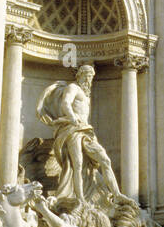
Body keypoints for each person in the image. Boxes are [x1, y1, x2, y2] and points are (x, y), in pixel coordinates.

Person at [37, 65, 121, 204]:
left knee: (105, 160)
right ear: (80, 75)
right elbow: (66, 103)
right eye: (87, 75)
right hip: (73, 128)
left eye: (91, 76)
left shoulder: (85, 94)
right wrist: (72, 117)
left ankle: (117, 194)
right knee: (78, 164)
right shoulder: (73, 88)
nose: (89, 79)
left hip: (86, 130)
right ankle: (80, 198)